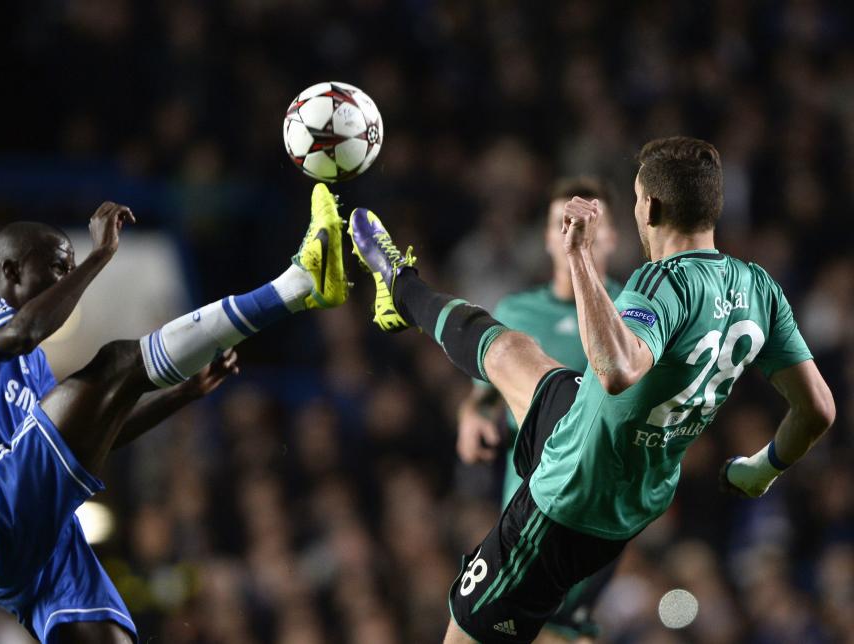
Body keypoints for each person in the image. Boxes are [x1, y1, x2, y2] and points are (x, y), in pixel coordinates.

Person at [348, 136, 835, 644]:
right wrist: (762, 469)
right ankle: (400, 289)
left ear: (651, 207)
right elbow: (817, 408)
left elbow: (617, 369)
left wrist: (578, 255)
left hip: (572, 496)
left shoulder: (663, 281)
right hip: (624, 470)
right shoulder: (759, 288)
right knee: (512, 351)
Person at [0, 184, 348, 643]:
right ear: (11, 270)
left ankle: (300, 285)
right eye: (58, 269)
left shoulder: (35, 367)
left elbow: (93, 436)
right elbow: (25, 332)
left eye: (71, 268)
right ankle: (296, 285)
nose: (68, 281)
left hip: (40, 544)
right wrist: (99, 254)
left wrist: (180, 396)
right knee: (116, 363)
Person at [457, 176, 620, 644]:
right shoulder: (518, 312)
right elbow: (484, 392)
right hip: (522, 507)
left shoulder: (635, 313)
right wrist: (472, 416)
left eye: (590, 222)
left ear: (610, 236)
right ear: (549, 237)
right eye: (560, 223)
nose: (574, 230)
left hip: (590, 515)